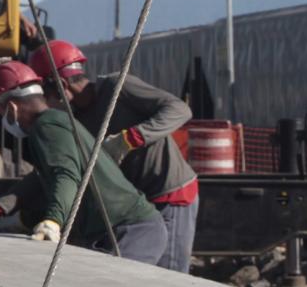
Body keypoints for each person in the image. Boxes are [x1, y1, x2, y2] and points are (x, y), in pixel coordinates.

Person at [0, 61, 167, 264]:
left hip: (131, 229)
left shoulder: (47, 127)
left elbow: (65, 175)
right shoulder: (53, 123)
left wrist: (53, 222)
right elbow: (40, 182)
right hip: (122, 229)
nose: (1, 119)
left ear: (12, 107)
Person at [27, 41, 199, 273]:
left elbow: (179, 110)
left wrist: (130, 139)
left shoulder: (117, 87)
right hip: (139, 202)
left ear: (61, 85)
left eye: (46, 94)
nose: (47, 103)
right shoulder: (77, 120)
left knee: (168, 275)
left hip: (168, 193)